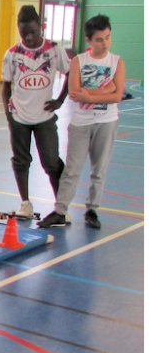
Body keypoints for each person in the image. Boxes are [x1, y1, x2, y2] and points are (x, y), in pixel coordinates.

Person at [38, 15, 125, 230]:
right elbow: (75, 93)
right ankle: (60, 210)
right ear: (89, 40)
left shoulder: (116, 62)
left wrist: (92, 95)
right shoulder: (79, 61)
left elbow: (117, 96)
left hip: (106, 122)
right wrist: (107, 88)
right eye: (99, 39)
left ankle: (92, 210)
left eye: (107, 37)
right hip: (81, 123)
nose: (105, 43)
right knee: (72, 169)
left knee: (99, 169)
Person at [2, 5, 70, 219]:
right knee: (21, 161)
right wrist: (8, 114)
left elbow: (70, 74)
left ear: (41, 27)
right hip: (19, 117)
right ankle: (25, 204)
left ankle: (61, 207)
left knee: (51, 161)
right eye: (24, 33)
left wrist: (59, 100)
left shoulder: (55, 49)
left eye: (33, 32)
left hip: (44, 117)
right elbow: (6, 86)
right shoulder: (12, 54)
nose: (29, 37)